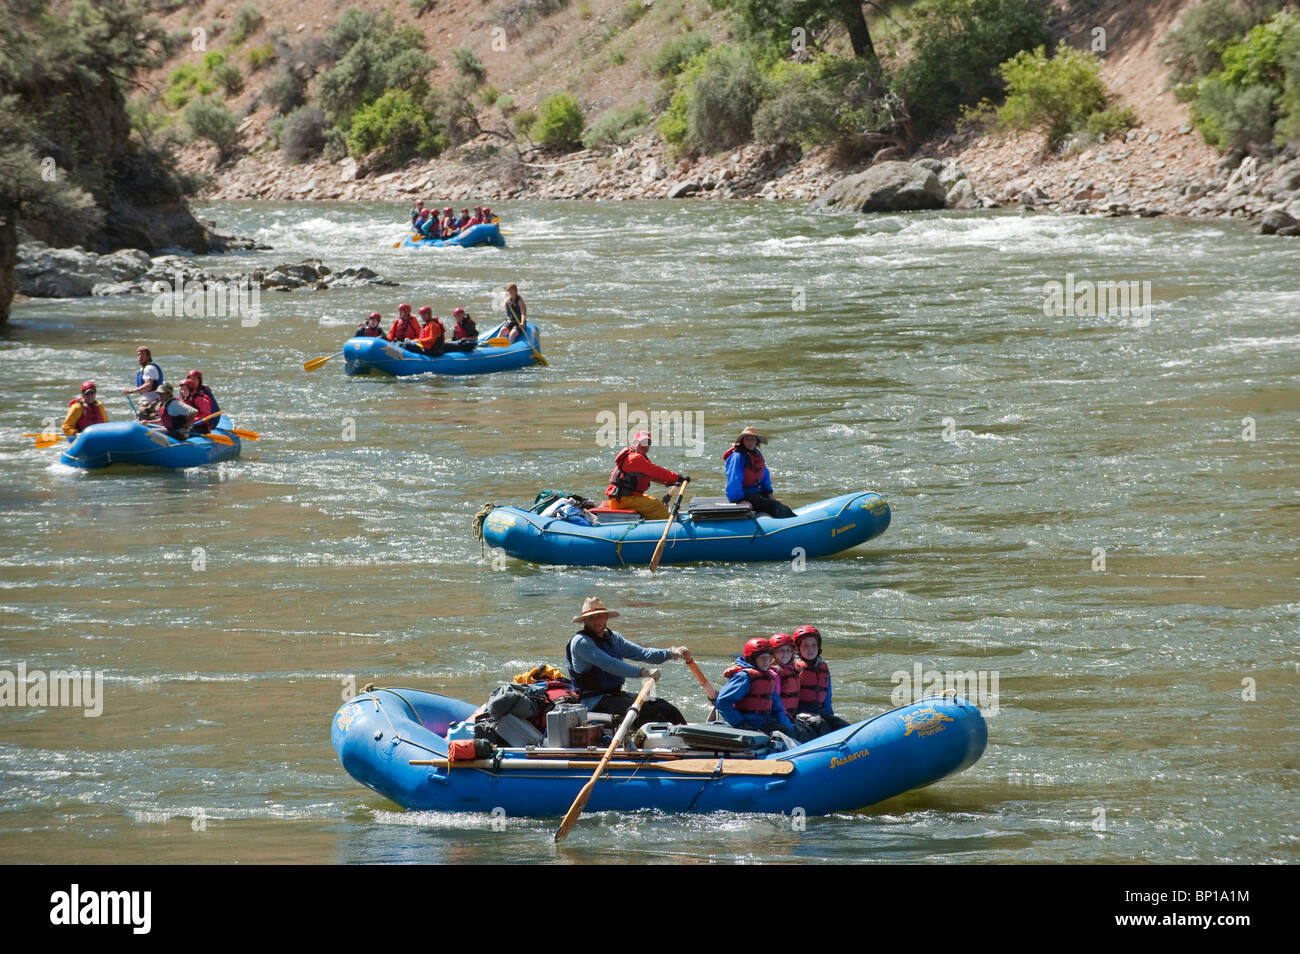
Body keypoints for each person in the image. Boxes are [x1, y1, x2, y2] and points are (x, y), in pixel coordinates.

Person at [564, 597, 691, 730]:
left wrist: (671, 653)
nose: (596, 621)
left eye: (600, 617)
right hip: (594, 702)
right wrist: (643, 673)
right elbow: (610, 664)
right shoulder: (581, 642)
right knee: (648, 712)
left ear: (606, 617)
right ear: (584, 621)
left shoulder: (613, 638)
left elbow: (643, 653)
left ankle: (689, 737)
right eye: (591, 618)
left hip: (615, 695)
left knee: (664, 707)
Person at [715, 637, 796, 736]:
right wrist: (740, 723)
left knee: (791, 731)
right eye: (762, 658)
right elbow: (723, 701)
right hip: (748, 723)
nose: (766, 661)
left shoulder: (768, 677)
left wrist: (788, 726)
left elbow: (777, 707)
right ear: (752, 659)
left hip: (764, 722)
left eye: (768, 657)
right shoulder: (744, 677)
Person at [606, 430, 686, 520]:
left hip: (624, 499)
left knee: (652, 500)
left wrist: (668, 482)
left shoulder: (634, 456)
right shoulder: (635, 458)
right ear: (635, 442)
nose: (645, 446)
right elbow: (656, 471)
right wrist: (678, 477)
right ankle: (668, 522)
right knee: (656, 505)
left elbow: (650, 476)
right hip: (623, 500)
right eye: (642, 442)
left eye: (647, 443)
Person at [791, 625, 850, 738]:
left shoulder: (822, 667)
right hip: (799, 714)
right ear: (798, 648)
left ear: (819, 647)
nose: (810, 649)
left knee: (841, 724)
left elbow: (827, 698)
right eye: (806, 645)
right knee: (820, 723)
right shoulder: (793, 668)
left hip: (819, 712)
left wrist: (830, 717)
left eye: (814, 645)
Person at [724, 426, 796, 519]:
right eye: (747, 439)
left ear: (756, 442)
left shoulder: (757, 454)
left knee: (778, 505)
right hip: (744, 496)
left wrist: (768, 493)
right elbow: (734, 479)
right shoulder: (738, 457)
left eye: (752, 439)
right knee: (776, 507)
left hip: (756, 493)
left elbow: (764, 475)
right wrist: (739, 500)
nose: (750, 442)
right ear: (742, 441)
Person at [769, 632, 803, 731]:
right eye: (781, 650)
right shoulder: (774, 674)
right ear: (773, 653)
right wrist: (786, 723)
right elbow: (775, 703)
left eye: (788, 650)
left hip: (790, 716)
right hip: (779, 719)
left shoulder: (792, 669)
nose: (785, 654)